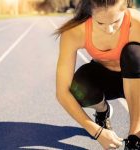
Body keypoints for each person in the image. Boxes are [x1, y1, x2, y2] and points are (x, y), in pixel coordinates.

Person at [55, 0, 140, 149]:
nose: (109, 29)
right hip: (106, 82)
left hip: (136, 79)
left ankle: (134, 138)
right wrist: (97, 132)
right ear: (89, 12)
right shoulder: (74, 32)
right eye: (100, 23)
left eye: (116, 21)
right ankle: (102, 111)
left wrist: (136, 134)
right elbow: (62, 92)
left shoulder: (137, 23)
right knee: (79, 87)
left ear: (125, 6)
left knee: (133, 53)